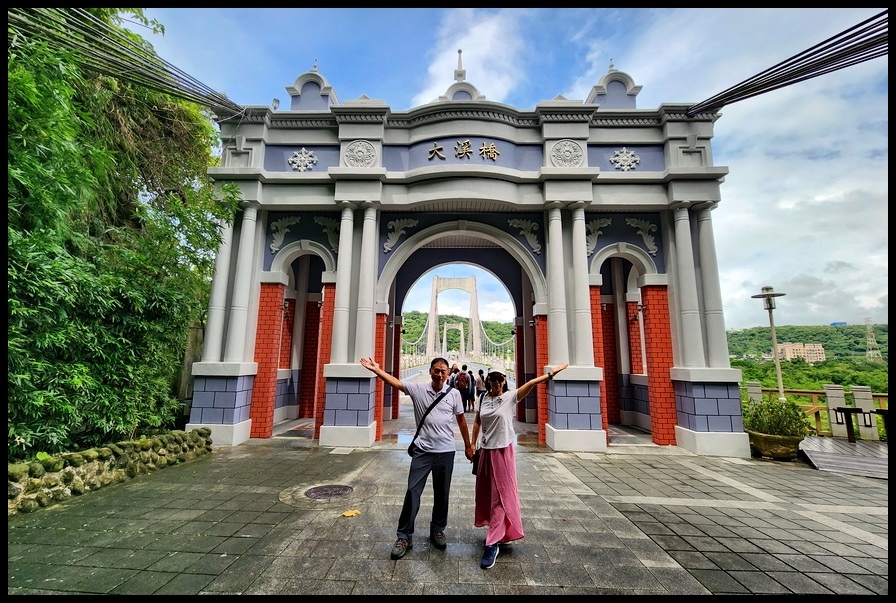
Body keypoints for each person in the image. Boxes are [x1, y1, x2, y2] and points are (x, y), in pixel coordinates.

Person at [360, 356, 475, 560]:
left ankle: (437, 529)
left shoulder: (455, 394)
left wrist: (468, 445)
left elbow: (462, 422)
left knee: (442, 494)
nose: (440, 374)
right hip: (422, 451)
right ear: (430, 371)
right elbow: (395, 382)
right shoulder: (418, 389)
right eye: (436, 370)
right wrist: (376, 370)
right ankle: (404, 536)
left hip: (446, 451)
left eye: (443, 371)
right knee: (413, 492)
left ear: (449, 374)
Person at [471, 362, 569, 570]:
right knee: (487, 493)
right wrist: (472, 443)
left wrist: (551, 374)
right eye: (493, 378)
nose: (496, 381)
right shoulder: (482, 398)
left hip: (503, 451)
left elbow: (532, 382)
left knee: (500, 495)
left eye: (500, 378)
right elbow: (478, 421)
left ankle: (492, 543)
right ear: (488, 380)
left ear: (505, 380)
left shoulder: (510, 397)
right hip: (486, 451)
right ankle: (500, 532)